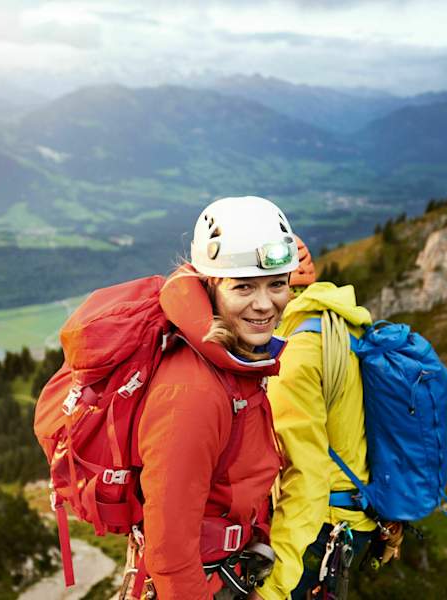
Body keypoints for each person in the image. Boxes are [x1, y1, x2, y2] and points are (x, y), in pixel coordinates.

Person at [126, 196, 299, 600]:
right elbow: (169, 548)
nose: (264, 304)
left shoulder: (236, 364)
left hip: (225, 573)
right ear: (210, 287)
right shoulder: (193, 392)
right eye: (243, 287)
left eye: (277, 283)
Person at [256, 237, 402, 600]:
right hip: (359, 516)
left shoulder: (296, 355)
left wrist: (272, 589)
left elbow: (305, 478)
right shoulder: (345, 324)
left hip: (320, 530)